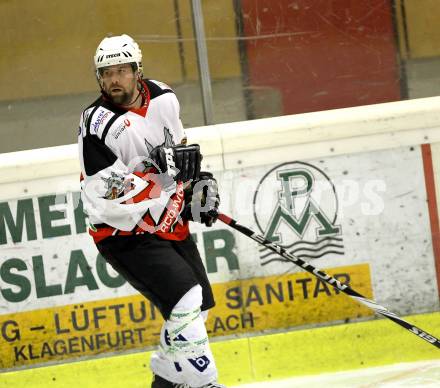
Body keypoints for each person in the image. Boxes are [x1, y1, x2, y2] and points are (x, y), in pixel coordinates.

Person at [77, 34, 224, 388]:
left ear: (137, 71)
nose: (114, 80)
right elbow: (104, 190)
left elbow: (181, 152)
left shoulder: (163, 97)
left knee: (197, 306)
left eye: (122, 71)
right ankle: (203, 382)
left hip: (166, 221)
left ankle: (167, 378)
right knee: (186, 297)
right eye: (106, 73)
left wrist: (198, 186)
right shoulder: (96, 122)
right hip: (122, 232)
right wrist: (159, 177)